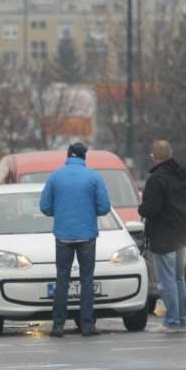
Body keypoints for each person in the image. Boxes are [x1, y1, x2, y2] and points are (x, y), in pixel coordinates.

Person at [40, 143, 111, 338]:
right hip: (87, 234)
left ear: (68, 155)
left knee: (62, 278)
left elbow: (44, 207)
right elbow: (104, 207)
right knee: (87, 279)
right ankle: (87, 325)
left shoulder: (55, 176)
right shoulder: (94, 177)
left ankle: (58, 325)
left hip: (63, 235)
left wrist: (60, 212)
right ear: (84, 157)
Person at [138, 140, 186, 333]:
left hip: (163, 235)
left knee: (167, 280)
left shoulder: (157, 179)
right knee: (179, 278)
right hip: (183, 232)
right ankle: (181, 319)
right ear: (171, 153)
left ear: (154, 157)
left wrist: (141, 207)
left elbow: (151, 209)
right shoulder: (184, 174)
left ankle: (171, 321)